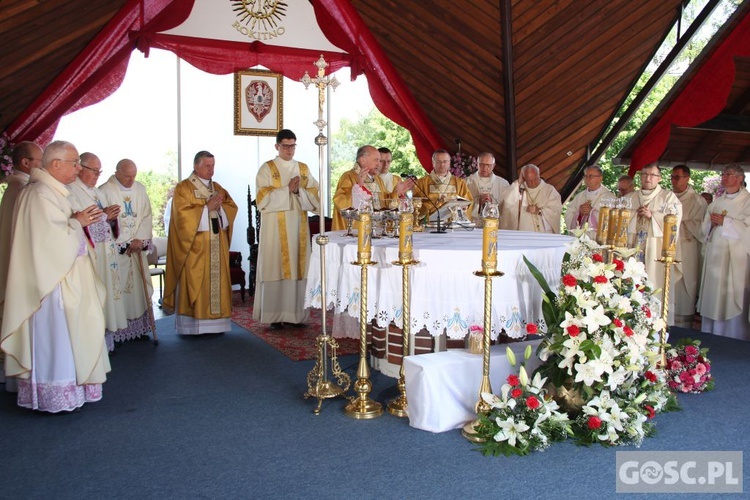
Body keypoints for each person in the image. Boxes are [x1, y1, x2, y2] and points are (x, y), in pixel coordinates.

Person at [1, 140, 110, 412]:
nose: (77, 167)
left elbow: (61, 230)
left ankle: (71, 389)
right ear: (55, 164)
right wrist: (78, 222)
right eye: (74, 163)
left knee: (71, 334)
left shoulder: (54, 192)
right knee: (57, 338)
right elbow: (48, 243)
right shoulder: (38, 194)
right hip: (50, 285)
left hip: (65, 278)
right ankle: (55, 393)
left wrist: (78, 220)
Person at [163, 151, 238, 335]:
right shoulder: (184, 188)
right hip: (194, 248)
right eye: (206, 166)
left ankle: (218, 325)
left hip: (216, 246)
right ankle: (193, 328)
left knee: (217, 283)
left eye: (212, 165)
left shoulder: (218, 188)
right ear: (196, 166)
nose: (211, 169)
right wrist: (206, 209)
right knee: (195, 282)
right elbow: (181, 218)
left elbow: (231, 207)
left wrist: (220, 210)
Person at [253, 130, 320, 330]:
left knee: (298, 268)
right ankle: (274, 315)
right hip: (274, 229)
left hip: (298, 226)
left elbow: (316, 197)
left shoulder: (303, 169)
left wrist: (299, 191)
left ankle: (297, 316)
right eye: (285, 146)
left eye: (293, 146)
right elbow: (261, 199)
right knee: (275, 266)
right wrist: (287, 190)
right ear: (277, 146)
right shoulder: (267, 169)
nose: (289, 150)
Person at [68, 152, 127, 351]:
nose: (97, 176)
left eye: (99, 171)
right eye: (94, 171)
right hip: (91, 256)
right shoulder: (71, 192)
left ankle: (108, 340)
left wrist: (111, 217)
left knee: (107, 294)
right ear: (80, 168)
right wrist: (103, 216)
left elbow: (102, 220)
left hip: (106, 253)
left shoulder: (97, 193)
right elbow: (76, 225)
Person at [0, 141, 43, 381]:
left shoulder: (21, 187)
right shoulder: (21, 189)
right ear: (25, 163)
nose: (43, 167)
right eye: (40, 161)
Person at [99, 159, 154, 343]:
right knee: (118, 290)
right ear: (117, 172)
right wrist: (125, 241)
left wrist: (139, 239)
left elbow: (147, 215)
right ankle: (118, 333)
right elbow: (103, 221)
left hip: (137, 248)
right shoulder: (105, 190)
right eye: (127, 176)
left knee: (138, 290)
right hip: (117, 251)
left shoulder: (140, 189)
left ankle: (138, 329)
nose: (131, 180)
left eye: (134, 176)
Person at [697, 164, 750, 340]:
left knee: (731, 295)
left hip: (736, 259)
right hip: (715, 257)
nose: (724, 177)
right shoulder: (718, 201)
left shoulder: (747, 201)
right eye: (723, 174)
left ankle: (733, 336)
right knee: (714, 295)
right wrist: (711, 224)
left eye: (729, 174)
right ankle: (711, 333)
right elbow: (704, 227)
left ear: (740, 178)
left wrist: (726, 222)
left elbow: (748, 228)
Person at [624, 164, 682, 321]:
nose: (648, 178)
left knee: (654, 285)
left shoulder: (668, 197)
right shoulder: (631, 197)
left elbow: (674, 221)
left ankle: (654, 322)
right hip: (634, 247)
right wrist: (635, 215)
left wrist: (653, 215)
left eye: (652, 175)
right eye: (644, 174)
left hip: (655, 250)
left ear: (659, 178)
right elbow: (621, 218)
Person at [670, 165, 707, 328]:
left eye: (677, 177)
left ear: (687, 178)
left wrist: (679, 222)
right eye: (672, 177)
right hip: (670, 247)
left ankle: (684, 325)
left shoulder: (697, 200)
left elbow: (702, 228)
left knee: (685, 284)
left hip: (687, 248)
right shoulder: (668, 197)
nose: (673, 180)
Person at [333, 145, 396, 230]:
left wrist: (397, 192)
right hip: (358, 230)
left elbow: (384, 203)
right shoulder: (349, 177)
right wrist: (359, 187)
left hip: (378, 230)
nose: (379, 164)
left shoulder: (378, 179)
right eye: (376, 160)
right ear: (363, 160)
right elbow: (340, 202)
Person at [499, 163, 562, 233]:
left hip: (543, 234)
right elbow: (506, 203)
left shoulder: (549, 190)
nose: (533, 182)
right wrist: (519, 182)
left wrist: (539, 211)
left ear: (539, 175)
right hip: (524, 233)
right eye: (529, 180)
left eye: (535, 179)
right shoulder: (518, 189)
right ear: (524, 178)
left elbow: (555, 210)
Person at [413, 149, 473, 220]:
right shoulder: (421, 183)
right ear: (433, 163)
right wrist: (437, 203)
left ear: (449, 163)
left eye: (445, 161)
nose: (442, 164)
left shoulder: (460, 183)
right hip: (430, 223)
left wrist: (463, 208)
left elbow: (468, 203)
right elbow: (416, 205)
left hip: (453, 223)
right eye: (438, 162)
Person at [564, 164, 614, 239]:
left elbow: (611, 220)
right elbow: (569, 213)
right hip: (580, 238)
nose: (587, 179)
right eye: (585, 176)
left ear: (600, 178)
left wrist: (591, 212)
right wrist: (579, 213)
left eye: (591, 176)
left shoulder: (610, 198)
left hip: (598, 239)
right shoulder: (579, 196)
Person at [465, 152, 509, 224]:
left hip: (494, 225)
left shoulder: (503, 184)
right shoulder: (466, 182)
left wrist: (492, 202)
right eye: (481, 164)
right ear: (477, 164)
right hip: (472, 225)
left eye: (488, 165)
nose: (485, 168)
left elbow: (506, 208)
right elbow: (461, 206)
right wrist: (478, 203)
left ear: (493, 166)